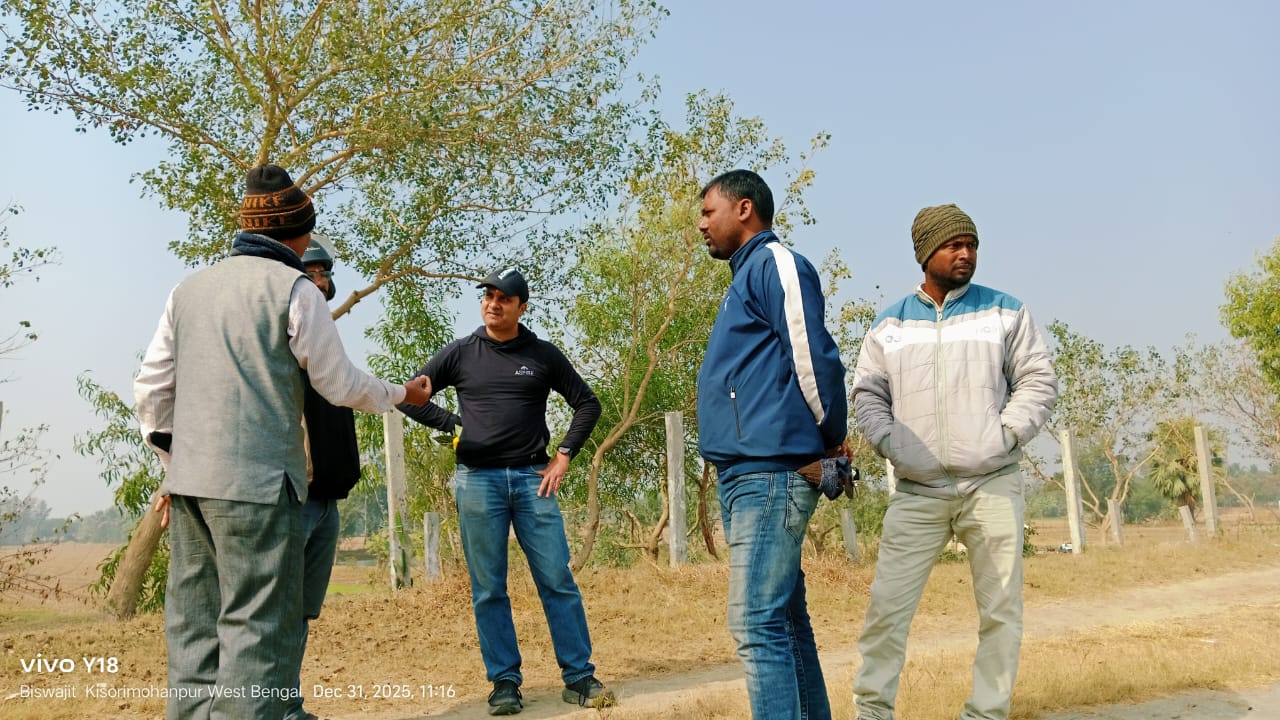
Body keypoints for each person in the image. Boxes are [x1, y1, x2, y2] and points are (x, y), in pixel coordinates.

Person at [134, 164, 431, 720]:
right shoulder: (295, 289)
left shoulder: (187, 290)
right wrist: (401, 393)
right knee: (257, 632)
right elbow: (339, 384)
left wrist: (174, 464)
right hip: (260, 488)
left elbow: (151, 389)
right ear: (298, 233)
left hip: (192, 485)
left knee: (194, 628)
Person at [850, 203, 1058, 720]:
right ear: (925, 253)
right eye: (953, 245)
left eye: (971, 245)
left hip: (992, 483)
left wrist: (1005, 435)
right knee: (886, 611)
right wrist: (891, 442)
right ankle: (872, 712)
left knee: (1001, 611)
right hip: (917, 491)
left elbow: (1038, 379)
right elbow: (868, 393)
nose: (965, 253)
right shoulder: (891, 324)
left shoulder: (1005, 312)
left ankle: (985, 713)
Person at [397, 267, 611, 716]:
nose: (493, 304)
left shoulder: (543, 354)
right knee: (489, 588)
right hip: (478, 482)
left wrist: (564, 454)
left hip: (535, 479)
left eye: (504, 298)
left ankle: (579, 677)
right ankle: (505, 682)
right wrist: (452, 425)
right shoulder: (460, 352)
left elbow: (587, 403)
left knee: (556, 579)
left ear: (521, 307)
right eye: (488, 296)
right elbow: (410, 396)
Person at [695, 169, 848, 720]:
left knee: (755, 623)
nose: (701, 225)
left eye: (708, 212)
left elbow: (813, 355)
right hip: (747, 474)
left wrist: (831, 438)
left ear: (743, 209)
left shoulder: (774, 264)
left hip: (771, 474)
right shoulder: (744, 277)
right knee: (782, 621)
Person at [284, 236, 362, 720]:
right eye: (308, 273)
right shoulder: (278, 337)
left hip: (328, 498)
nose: (319, 281)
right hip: (293, 496)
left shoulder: (327, 336)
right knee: (276, 612)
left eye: (323, 273)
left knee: (300, 612)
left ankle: (288, 705)